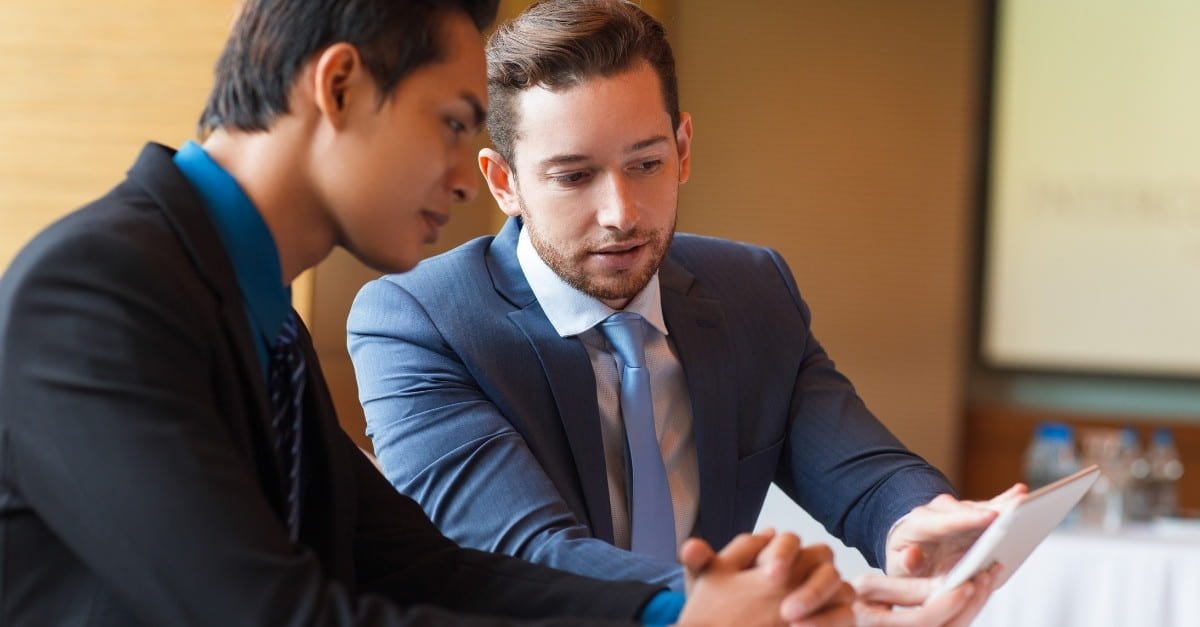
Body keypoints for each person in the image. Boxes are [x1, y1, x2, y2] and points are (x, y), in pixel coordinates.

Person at [0, 0, 856, 625]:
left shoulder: (257, 313)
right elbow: (271, 613)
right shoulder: (96, 290)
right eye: (450, 124)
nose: (466, 176)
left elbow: (426, 568)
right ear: (338, 87)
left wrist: (673, 611)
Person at [347, 0, 1015, 622]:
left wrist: (915, 526)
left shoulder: (753, 290)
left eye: (646, 163)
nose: (621, 214)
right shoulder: (418, 321)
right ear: (503, 182)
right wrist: (740, 604)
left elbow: (862, 472)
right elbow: (523, 551)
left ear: (684, 148)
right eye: (575, 176)